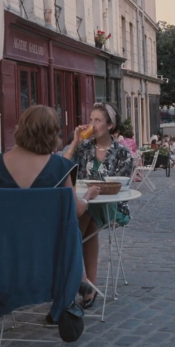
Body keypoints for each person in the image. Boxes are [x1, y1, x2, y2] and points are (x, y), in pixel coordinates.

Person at [63, 102, 133, 309]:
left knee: (82, 215)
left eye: (97, 120)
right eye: (91, 119)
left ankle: (80, 279)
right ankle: (88, 285)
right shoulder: (84, 148)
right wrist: (75, 142)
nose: (91, 125)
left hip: (112, 205)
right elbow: (61, 168)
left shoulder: (122, 153)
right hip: (86, 205)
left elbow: (122, 188)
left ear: (110, 125)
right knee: (88, 217)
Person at [0, 105, 100, 217]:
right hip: (50, 234)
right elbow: (77, 211)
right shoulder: (61, 167)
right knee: (91, 219)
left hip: (9, 234)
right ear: (52, 133)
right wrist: (88, 195)